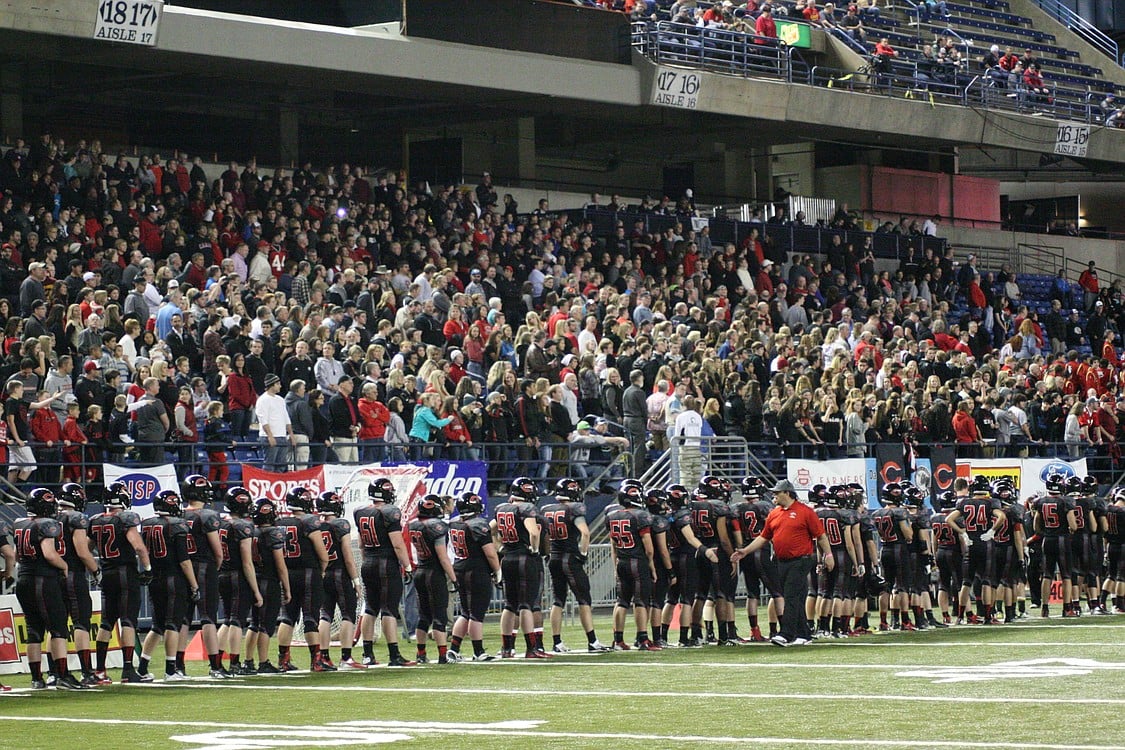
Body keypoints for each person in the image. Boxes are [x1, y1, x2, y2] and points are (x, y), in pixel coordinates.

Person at [731, 479, 833, 647]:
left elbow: (821, 536)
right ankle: (804, 634)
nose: (774, 495)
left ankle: (786, 633)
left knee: (791, 595)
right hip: (782, 561)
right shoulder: (774, 513)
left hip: (801, 559)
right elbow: (764, 537)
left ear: (787, 493)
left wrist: (828, 555)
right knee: (796, 597)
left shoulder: (805, 511)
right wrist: (745, 551)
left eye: (777, 492)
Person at [14, 488, 88, 690]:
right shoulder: (47, 524)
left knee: (34, 630)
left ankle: (37, 678)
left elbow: (17, 555)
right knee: (58, 628)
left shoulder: (20, 524)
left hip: (24, 579)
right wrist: (64, 566)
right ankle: (63, 675)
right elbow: (49, 553)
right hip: (44, 580)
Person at [89, 481, 152, 684]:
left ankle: (99, 670)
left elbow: (88, 547)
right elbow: (139, 547)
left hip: (107, 573)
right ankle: (127, 669)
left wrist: (95, 570)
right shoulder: (126, 518)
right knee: (128, 621)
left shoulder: (96, 520)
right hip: (125, 572)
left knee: (106, 622)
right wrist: (148, 568)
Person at [136, 489, 200, 682]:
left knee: (157, 626)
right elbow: (184, 561)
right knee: (172, 624)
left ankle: (142, 667)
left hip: (155, 577)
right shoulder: (177, 525)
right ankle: (171, 670)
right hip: (173, 579)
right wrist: (194, 585)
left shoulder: (146, 524)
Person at [541, 478, 610, 653]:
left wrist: (548, 554)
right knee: (584, 599)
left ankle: (557, 642)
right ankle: (592, 641)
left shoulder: (547, 510)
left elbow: (546, 537)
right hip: (570, 557)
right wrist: (583, 554)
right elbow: (585, 533)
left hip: (555, 558)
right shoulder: (574, 509)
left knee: (558, 599)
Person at [354, 477, 416, 667]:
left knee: (370, 608)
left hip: (369, 562)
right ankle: (394, 654)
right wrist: (407, 566)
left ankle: (367, 654)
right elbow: (397, 545)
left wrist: (367, 561)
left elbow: (361, 543)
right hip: (386, 563)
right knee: (389, 609)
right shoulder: (390, 512)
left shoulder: (361, 512)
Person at [274, 486, 331, 672]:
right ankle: (316, 660)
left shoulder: (280, 522)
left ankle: (282, 660)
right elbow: (324, 555)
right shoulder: (309, 522)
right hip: (308, 573)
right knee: (310, 617)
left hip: (287, 572)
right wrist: (321, 570)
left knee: (287, 617)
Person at [491, 477, 544, 659]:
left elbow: (491, 529)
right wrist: (534, 549)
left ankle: (507, 648)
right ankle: (532, 648)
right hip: (523, 557)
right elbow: (534, 532)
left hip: (507, 558)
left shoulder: (501, 508)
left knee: (509, 605)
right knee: (526, 605)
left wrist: (499, 546)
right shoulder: (527, 508)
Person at [446, 491, 502, 662]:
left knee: (465, 612)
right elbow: (490, 553)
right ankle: (478, 651)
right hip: (476, 569)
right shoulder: (478, 524)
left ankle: (454, 649)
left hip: (460, 567)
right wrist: (497, 570)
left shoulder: (455, 523)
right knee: (477, 613)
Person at [180, 475, 226, 678]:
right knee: (208, 618)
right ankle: (215, 666)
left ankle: (176, 666)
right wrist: (214, 568)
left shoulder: (179, 515)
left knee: (183, 619)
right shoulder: (207, 516)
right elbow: (218, 552)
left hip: (183, 568)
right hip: (204, 567)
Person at [606, 483, 660, 651]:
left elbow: (613, 544)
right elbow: (649, 548)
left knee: (621, 601)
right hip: (637, 562)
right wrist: (651, 565)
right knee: (641, 601)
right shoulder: (641, 516)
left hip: (622, 560)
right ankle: (643, 639)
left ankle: (618, 640)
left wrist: (615, 564)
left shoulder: (612, 515)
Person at [216, 486, 263, 676]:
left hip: (222, 574)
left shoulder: (220, 523)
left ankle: (216, 662)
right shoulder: (242, 526)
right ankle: (235, 663)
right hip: (237, 575)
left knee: (227, 620)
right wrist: (256, 591)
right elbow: (247, 562)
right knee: (236, 621)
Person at [57, 483, 100, 685]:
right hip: (73, 573)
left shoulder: (49, 518)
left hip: (52, 576)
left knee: (56, 627)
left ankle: (54, 673)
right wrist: (96, 571)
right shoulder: (76, 518)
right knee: (81, 622)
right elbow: (82, 551)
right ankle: (86, 671)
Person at [407, 494, 457, 664]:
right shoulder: (438, 526)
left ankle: (421, 654)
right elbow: (443, 557)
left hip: (420, 571)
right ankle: (442, 655)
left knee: (424, 616)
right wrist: (454, 578)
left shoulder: (414, 524)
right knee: (439, 616)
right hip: (434, 573)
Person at [243, 497, 291, 674]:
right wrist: (286, 587)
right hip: (269, 581)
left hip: (254, 579)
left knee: (254, 623)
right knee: (266, 625)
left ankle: (248, 661)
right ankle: (263, 662)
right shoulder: (273, 533)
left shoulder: (250, 531)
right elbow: (280, 564)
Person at [315, 490, 361, 669]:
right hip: (340, 573)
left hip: (323, 573)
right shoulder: (340, 524)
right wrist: (356, 581)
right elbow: (348, 556)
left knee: (325, 615)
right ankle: (346, 657)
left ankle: (324, 656)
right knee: (348, 614)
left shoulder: (315, 525)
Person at [256, 374, 294, 471]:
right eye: (277, 384)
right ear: (271, 385)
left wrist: (291, 435)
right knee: (269, 464)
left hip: (281, 436)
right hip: (270, 437)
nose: (280, 386)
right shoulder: (262, 400)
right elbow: (263, 419)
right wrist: (270, 436)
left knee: (281, 466)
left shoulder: (280, 400)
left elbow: (286, 418)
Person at [622, 369, 648, 475]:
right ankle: (636, 473)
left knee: (629, 446)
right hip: (636, 420)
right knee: (639, 447)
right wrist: (646, 422)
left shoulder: (627, 391)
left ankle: (628, 471)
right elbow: (643, 409)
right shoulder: (639, 392)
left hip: (626, 419)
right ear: (640, 378)